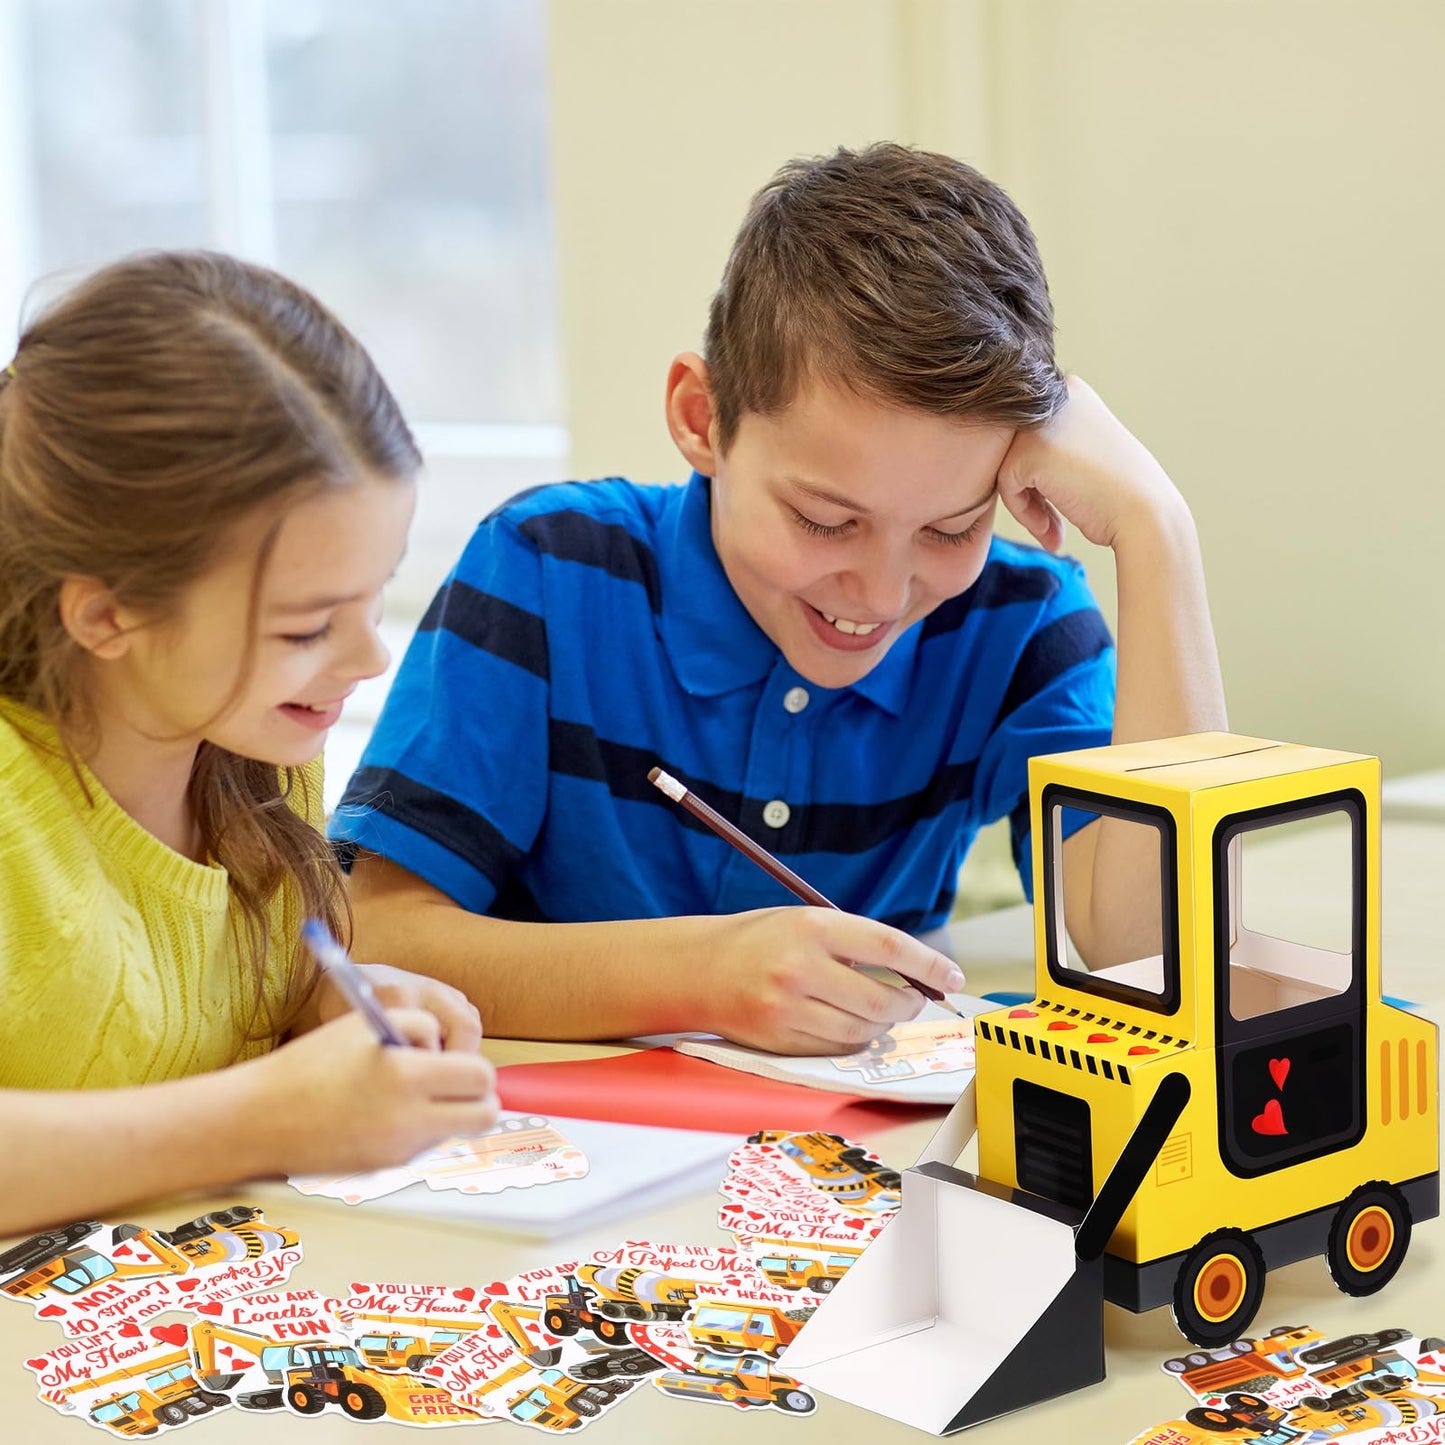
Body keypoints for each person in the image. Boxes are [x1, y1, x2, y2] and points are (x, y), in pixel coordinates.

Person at [333, 143, 1226, 1055]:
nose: (880, 594)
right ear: (700, 418)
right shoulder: (549, 568)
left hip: (853, 1165)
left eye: (950, 529)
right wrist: (703, 975)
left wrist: (1156, 533)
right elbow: (374, 941)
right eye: (824, 521)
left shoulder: (1019, 624)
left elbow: (1153, 956)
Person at [0, 251, 498, 1237]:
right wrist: (268, 1114)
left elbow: (212, 1000)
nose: (368, 656)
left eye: (376, 591)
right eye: (306, 626)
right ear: (107, 613)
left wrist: (330, 1005)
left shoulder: (258, 748)